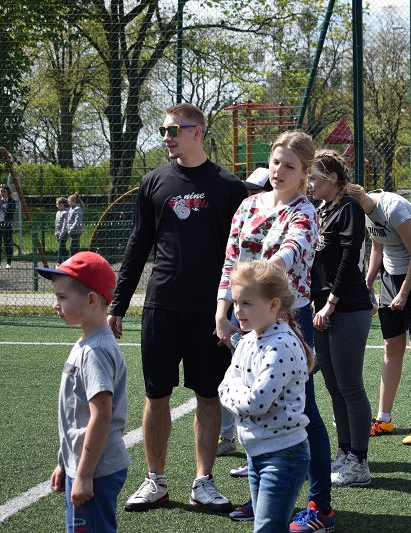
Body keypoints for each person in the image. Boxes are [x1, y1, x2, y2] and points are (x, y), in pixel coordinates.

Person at [108, 103, 247, 513]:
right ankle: (155, 481)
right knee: (156, 395)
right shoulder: (153, 183)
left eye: (174, 130)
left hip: (211, 312)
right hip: (161, 306)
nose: (166, 137)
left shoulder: (229, 186)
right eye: (163, 130)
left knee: (208, 395)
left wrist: (236, 308)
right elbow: (137, 247)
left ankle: (203, 482)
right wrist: (119, 302)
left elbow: (239, 254)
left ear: (197, 132)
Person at [213, 131, 334, 531]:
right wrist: (223, 310)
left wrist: (264, 277)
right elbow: (231, 259)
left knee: (302, 412)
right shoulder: (248, 205)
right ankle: (261, 494)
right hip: (248, 321)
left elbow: (293, 249)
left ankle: (320, 506)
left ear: (304, 175)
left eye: (290, 166)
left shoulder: (306, 210)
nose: (279, 171)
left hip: (287, 320)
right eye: (276, 162)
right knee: (253, 412)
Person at [37, 252, 130, 533]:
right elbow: (74, 415)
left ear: (91, 300)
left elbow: (101, 416)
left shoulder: (96, 351)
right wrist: (65, 461)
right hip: (83, 465)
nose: (56, 305)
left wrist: (85, 474)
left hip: (96, 470)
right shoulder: (87, 342)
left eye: (63, 298)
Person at [219, 260, 313, 533]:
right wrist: (238, 392)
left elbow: (256, 402)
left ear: (274, 305)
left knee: (267, 528)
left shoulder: (281, 345)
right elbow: (224, 386)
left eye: (247, 303)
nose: (237, 311)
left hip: (283, 454)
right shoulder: (247, 340)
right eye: (235, 303)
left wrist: (236, 393)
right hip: (257, 450)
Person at [349, 185, 411, 445]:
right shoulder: (365, 211)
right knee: (391, 346)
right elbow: (377, 248)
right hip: (390, 275)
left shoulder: (393, 208)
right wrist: (369, 282)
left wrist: (402, 294)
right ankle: (383, 419)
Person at [308, 149, 374, 487]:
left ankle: (360, 463)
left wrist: (331, 302)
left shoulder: (348, 207)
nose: (309, 183)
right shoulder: (320, 210)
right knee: (333, 387)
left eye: (315, 177)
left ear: (332, 178)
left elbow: (349, 258)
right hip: (321, 307)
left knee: (349, 386)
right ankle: (345, 452)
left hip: (347, 306)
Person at [0, 184, 17, 269]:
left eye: (4, 191)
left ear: (7, 192)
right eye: (1, 191)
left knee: (8, 243)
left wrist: (4, 205)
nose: (2, 193)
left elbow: (11, 212)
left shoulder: (11, 201)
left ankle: (8, 262)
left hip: (7, 224)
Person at [55, 197, 70, 265]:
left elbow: (65, 224)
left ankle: (58, 262)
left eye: (57, 204)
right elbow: (56, 223)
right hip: (58, 232)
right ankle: (66, 261)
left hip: (64, 233)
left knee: (60, 247)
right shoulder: (58, 212)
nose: (56, 206)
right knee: (63, 247)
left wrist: (62, 234)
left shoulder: (65, 213)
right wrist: (56, 233)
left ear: (62, 205)